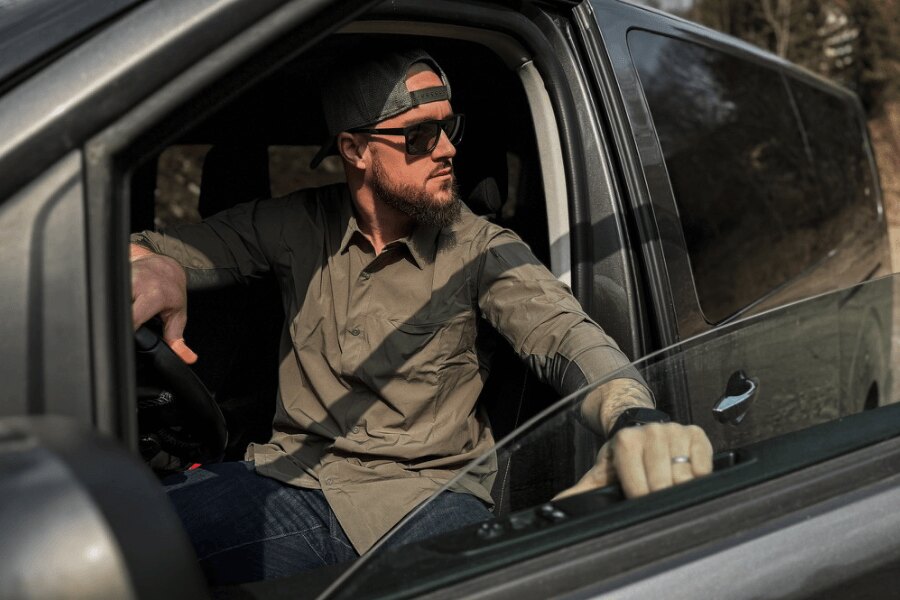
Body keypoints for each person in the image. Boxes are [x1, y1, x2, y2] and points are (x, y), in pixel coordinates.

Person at [130, 48, 713, 584]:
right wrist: (157, 266)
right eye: (419, 135)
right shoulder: (295, 225)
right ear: (354, 150)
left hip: (429, 499)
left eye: (449, 127)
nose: (447, 148)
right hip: (290, 481)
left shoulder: (480, 245)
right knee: (109, 543)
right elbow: (170, 249)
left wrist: (630, 412)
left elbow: (562, 333)